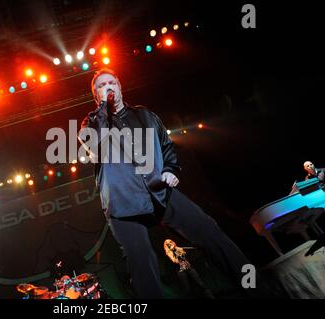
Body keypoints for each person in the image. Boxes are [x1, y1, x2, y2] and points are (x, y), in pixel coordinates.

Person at [78, 68, 252, 298]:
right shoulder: (90, 122)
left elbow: (166, 146)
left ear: (120, 86)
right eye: (102, 85)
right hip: (123, 204)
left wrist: (170, 169)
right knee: (142, 262)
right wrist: (103, 108)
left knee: (210, 231)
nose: (108, 86)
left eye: (112, 82)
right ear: (95, 94)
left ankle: (257, 289)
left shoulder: (144, 115)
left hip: (159, 190)